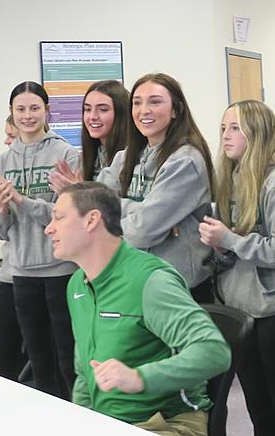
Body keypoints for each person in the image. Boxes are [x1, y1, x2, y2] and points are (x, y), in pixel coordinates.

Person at [46, 182, 230, 436]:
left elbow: (214, 352)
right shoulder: (77, 284)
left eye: (59, 218)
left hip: (166, 423)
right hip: (111, 422)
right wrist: (83, 420)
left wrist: (139, 378)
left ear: (91, 220)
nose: (49, 229)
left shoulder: (150, 282)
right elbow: (84, 370)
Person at [200, 100, 275, 436]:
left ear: (258, 132)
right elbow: (233, 252)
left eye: (235, 127)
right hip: (243, 309)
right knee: (260, 412)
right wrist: (221, 247)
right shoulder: (231, 176)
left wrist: (232, 240)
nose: (225, 135)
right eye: (223, 128)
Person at [0, 81, 79, 398]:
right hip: (22, 273)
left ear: (47, 111)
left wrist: (22, 202)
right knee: (39, 364)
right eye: (20, 109)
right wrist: (3, 209)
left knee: (68, 360)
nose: (27, 115)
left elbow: (68, 217)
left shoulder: (66, 154)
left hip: (61, 270)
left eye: (34, 108)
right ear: (11, 114)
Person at [97, 73, 215, 302]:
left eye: (155, 101)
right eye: (137, 102)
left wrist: (137, 219)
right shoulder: (127, 156)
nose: (144, 110)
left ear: (176, 110)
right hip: (136, 282)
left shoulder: (185, 161)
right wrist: (143, 212)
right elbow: (94, 204)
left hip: (179, 290)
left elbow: (142, 231)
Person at [0, 114, 28, 381]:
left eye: (10, 135)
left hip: (48, 273)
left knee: (44, 355)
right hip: (10, 273)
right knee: (5, 355)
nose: (6, 141)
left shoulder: (60, 156)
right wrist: (2, 209)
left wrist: (21, 200)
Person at [50, 80, 131, 191]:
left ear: (121, 113)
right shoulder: (90, 156)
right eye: (87, 109)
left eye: (103, 110)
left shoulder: (129, 157)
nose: (92, 116)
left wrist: (81, 194)